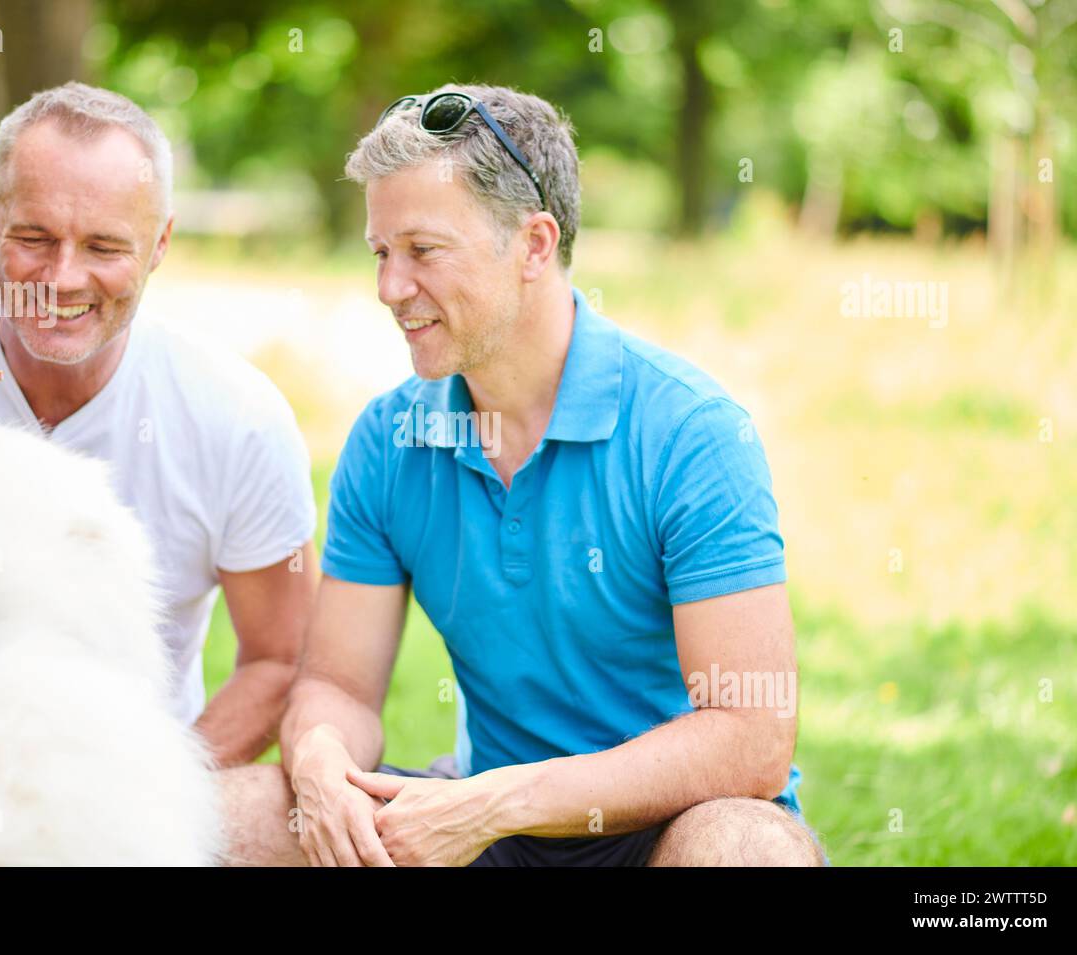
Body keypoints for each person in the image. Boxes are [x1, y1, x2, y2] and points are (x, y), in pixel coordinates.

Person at [218, 84, 826, 866]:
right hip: (480, 831)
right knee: (228, 818)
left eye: (423, 252)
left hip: (665, 830)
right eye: (381, 253)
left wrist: (498, 802)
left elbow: (751, 736)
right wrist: (319, 761)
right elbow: (338, 684)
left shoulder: (691, 433)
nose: (390, 288)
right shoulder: (387, 439)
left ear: (534, 246)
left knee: (747, 850)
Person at [0, 82, 318, 767]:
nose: (62, 279)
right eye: (34, 238)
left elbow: (281, 660)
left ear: (160, 243)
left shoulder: (239, 416)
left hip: (123, 775)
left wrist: (158, 794)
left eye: (105, 247)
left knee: (274, 818)